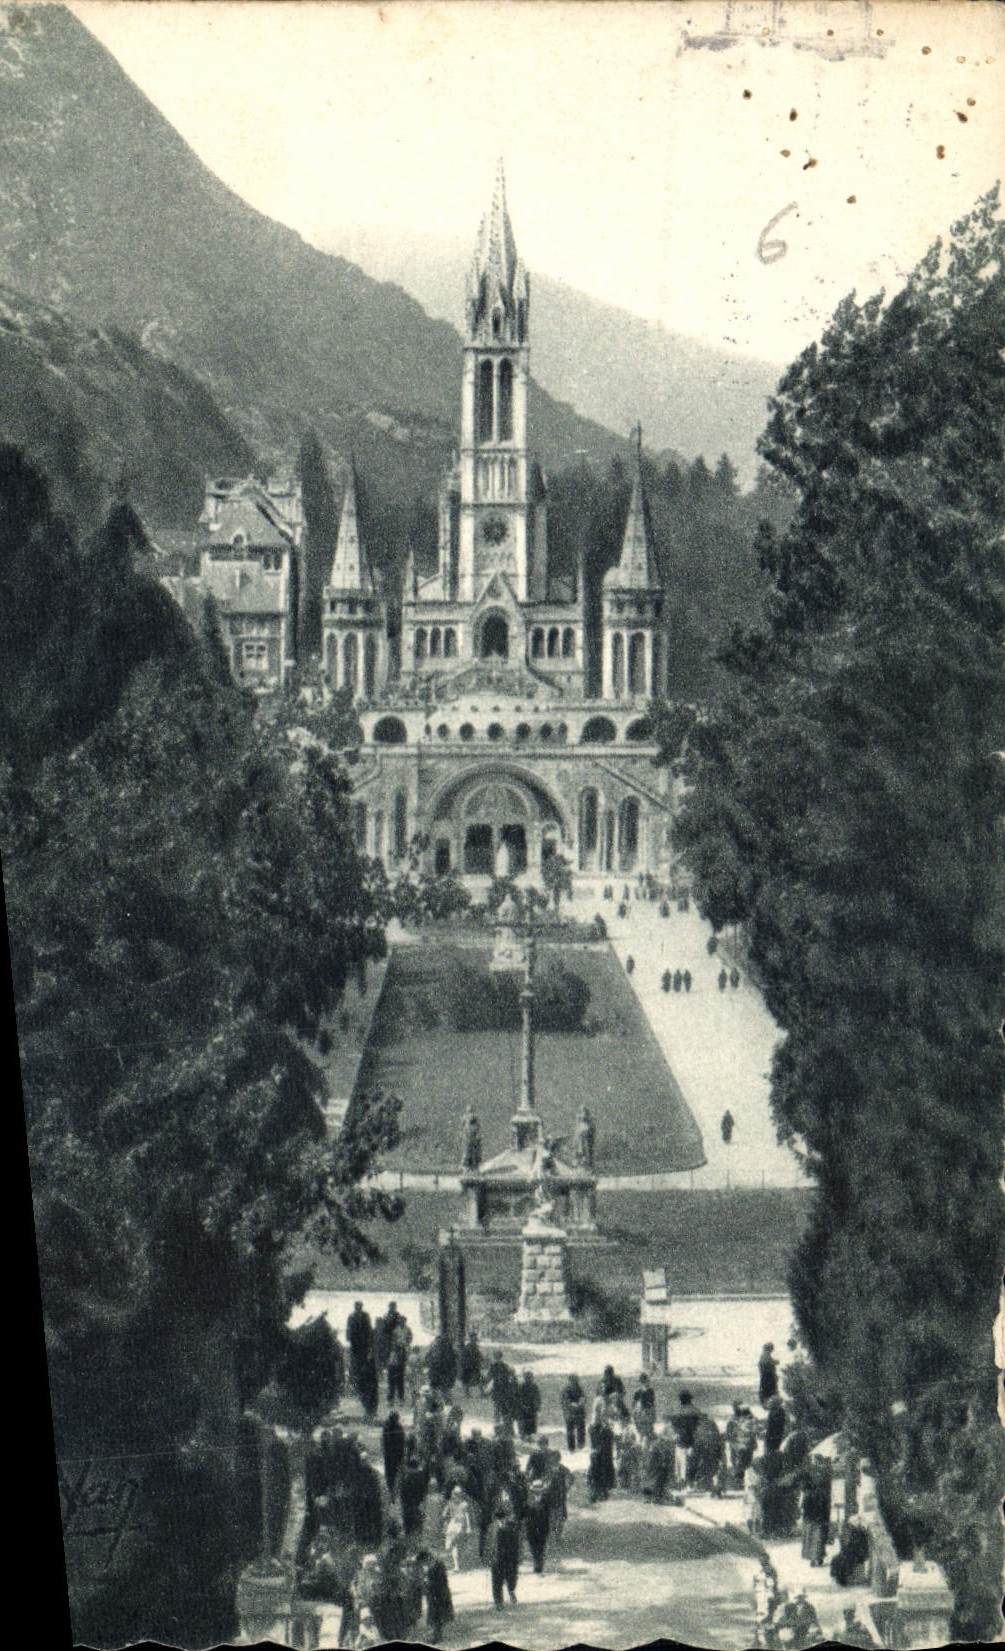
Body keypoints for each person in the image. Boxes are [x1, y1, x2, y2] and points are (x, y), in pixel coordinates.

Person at [485, 1493, 520, 1610]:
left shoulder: (512, 1528)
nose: (504, 1520)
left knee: (511, 1578)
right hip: (496, 1558)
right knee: (496, 1581)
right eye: (502, 1518)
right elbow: (489, 1543)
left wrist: (517, 1557)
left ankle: (511, 1591)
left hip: (509, 1558)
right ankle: (498, 1602)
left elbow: (516, 1544)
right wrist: (488, 1556)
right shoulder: (492, 1528)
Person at [346, 1301, 379, 1420]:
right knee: (357, 1371)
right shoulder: (352, 1316)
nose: (358, 1309)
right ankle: (355, 1388)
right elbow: (349, 1331)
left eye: (359, 1307)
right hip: (356, 1347)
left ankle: (369, 1408)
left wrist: (369, 1346)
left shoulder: (365, 1316)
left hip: (363, 1348)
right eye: (357, 1307)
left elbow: (369, 1332)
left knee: (363, 1375)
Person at [417, 1548, 454, 1643]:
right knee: (436, 1617)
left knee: (437, 1616)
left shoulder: (436, 1566)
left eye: (424, 1563)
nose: (424, 1565)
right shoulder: (435, 1565)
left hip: (438, 1594)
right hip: (436, 1594)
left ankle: (437, 1636)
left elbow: (439, 1581)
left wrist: (426, 1583)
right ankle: (437, 1635)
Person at [800, 1459, 833, 1567]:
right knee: (818, 1534)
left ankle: (814, 1558)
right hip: (819, 1507)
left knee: (813, 1533)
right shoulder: (824, 1474)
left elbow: (804, 1489)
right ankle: (817, 1557)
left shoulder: (811, 1472)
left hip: (812, 1507)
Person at [668, 1390, 703, 1486]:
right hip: (692, 1440)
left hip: (681, 1440)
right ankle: (691, 1480)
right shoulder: (695, 1410)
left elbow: (672, 1426)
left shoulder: (676, 1411)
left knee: (680, 1461)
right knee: (691, 1461)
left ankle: (681, 1479)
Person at [587, 1397, 615, 1502]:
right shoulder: (596, 1424)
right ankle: (597, 1490)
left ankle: (599, 1490)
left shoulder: (603, 1423)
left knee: (601, 1462)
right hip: (600, 1441)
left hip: (603, 1443)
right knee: (599, 1462)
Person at [443, 1484, 474, 1572]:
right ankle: (457, 1565)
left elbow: (466, 1516)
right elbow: (445, 1514)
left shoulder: (463, 1504)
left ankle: (457, 1565)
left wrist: (468, 1527)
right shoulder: (452, 1503)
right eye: (455, 1493)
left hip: (458, 1525)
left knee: (455, 1545)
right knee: (454, 1546)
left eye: (457, 1494)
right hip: (454, 1524)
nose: (456, 1495)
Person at [524, 1476, 551, 1574]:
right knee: (533, 1547)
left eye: (539, 1490)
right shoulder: (528, 1499)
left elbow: (548, 1514)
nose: (537, 1492)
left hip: (542, 1527)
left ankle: (539, 1565)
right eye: (536, 1490)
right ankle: (537, 1563)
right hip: (531, 1527)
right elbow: (525, 1513)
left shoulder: (546, 1500)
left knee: (541, 1547)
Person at [382, 1410, 406, 1498]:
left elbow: (385, 1441)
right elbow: (402, 1442)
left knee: (389, 1473)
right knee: (395, 1473)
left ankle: (391, 1490)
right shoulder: (399, 1428)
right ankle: (393, 1491)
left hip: (389, 1455)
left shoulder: (386, 1427)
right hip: (395, 1455)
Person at [425, 1331, 457, 1397]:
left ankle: (435, 1399)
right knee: (442, 1387)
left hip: (437, 1370)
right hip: (440, 1370)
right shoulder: (448, 1349)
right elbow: (453, 1360)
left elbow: (427, 1358)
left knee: (435, 1387)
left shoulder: (433, 1348)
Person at [561, 1373, 587, 1452]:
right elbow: (565, 1402)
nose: (575, 1382)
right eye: (573, 1380)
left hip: (579, 1412)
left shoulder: (579, 1389)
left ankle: (581, 1446)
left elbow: (583, 1398)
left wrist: (581, 1403)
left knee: (581, 1429)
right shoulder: (566, 1390)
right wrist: (573, 1405)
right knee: (570, 1431)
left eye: (576, 1380)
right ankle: (571, 1449)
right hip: (570, 1413)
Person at [517, 1369, 541, 1440]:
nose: (529, 1379)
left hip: (532, 1409)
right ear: (525, 1378)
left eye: (530, 1377)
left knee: (531, 1424)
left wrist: (537, 1406)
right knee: (523, 1424)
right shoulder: (521, 1386)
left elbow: (538, 1397)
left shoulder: (534, 1387)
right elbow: (518, 1398)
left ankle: (530, 1437)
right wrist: (522, 1406)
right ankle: (523, 1437)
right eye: (527, 1377)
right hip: (523, 1409)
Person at [632, 1372, 657, 1439]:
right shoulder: (641, 1391)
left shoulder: (648, 1391)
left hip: (645, 1412)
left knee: (646, 1432)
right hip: (644, 1412)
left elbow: (633, 1404)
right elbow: (634, 1404)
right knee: (645, 1432)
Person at [459, 1330, 482, 1396]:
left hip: (470, 1365)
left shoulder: (471, 1346)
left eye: (475, 1338)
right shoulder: (471, 1346)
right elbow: (476, 1355)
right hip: (470, 1365)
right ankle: (467, 1393)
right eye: (473, 1337)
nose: (474, 1339)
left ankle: (468, 1393)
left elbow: (477, 1355)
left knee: (471, 1379)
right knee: (470, 1379)